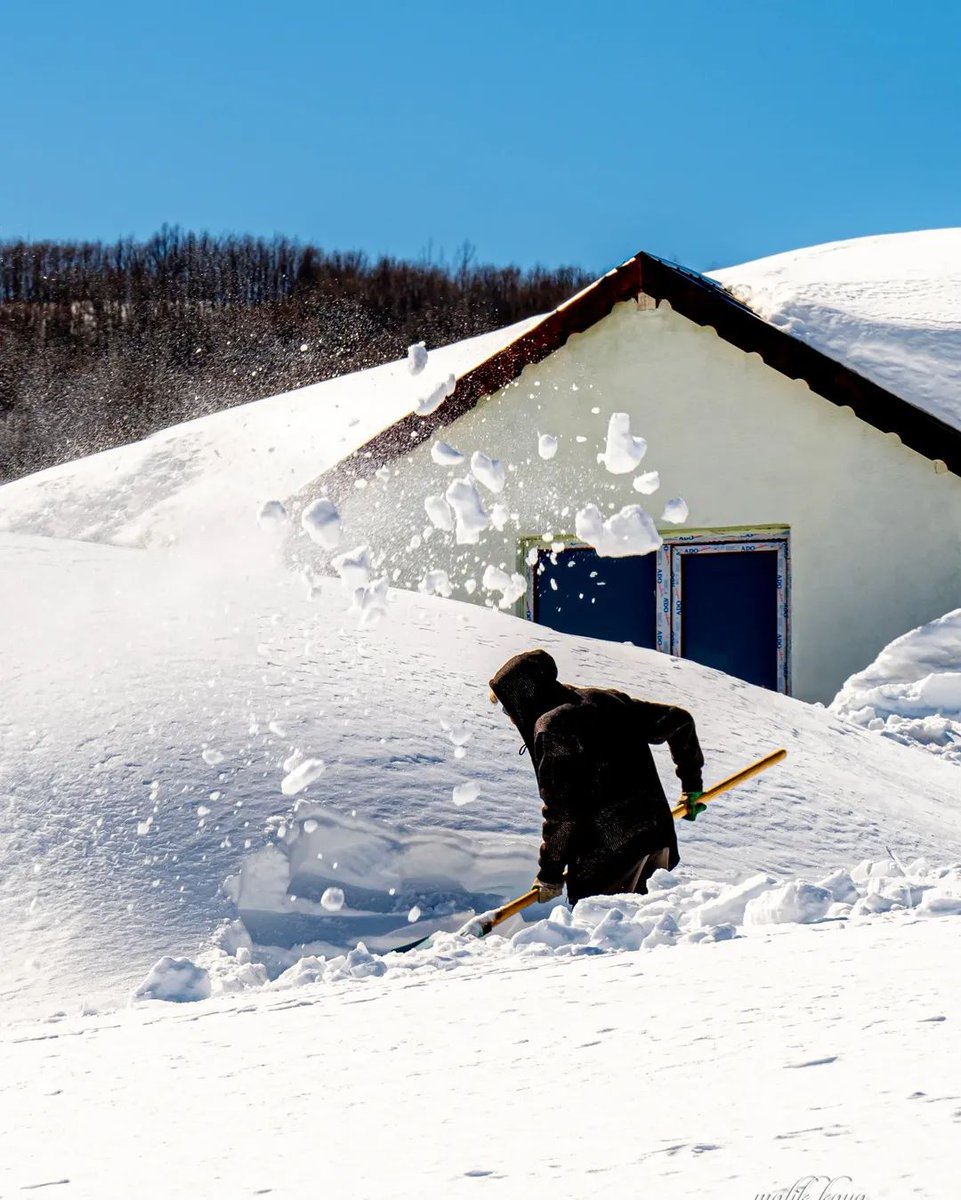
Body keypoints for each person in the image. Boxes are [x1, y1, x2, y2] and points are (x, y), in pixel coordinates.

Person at [489, 649, 706, 905]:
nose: (512, 718)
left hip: (609, 857)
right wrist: (692, 786)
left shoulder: (552, 730)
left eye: (508, 708)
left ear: (525, 696)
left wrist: (549, 874)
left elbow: (563, 813)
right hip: (656, 839)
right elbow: (679, 721)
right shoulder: (607, 700)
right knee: (651, 928)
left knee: (609, 936)